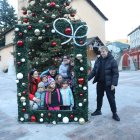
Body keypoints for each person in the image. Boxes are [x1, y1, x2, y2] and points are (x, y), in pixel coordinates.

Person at [88, 46, 120, 121]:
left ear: (107, 51)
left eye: (103, 51)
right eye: (101, 52)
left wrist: (113, 84)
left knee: (111, 99)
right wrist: (87, 79)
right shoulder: (98, 60)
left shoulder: (112, 61)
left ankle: (114, 113)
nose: (102, 53)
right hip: (100, 83)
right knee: (99, 97)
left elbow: (115, 73)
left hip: (109, 84)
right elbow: (94, 71)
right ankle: (98, 110)